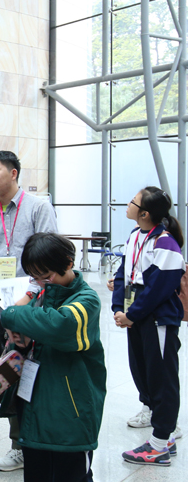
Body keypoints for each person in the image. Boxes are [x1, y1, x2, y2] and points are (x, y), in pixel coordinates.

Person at [0, 233, 106, 482]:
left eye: (46, 276)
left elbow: (60, 326)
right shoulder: (41, 297)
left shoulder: (87, 300)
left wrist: (11, 314)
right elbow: (32, 326)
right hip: (34, 413)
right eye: (35, 277)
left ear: (68, 263)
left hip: (71, 417)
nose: (41, 283)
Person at [0, 150, 58, 472]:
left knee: (35, 375)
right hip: (4, 306)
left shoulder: (38, 207)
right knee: (10, 371)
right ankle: (20, 445)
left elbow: (50, 257)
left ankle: (36, 443)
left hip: (34, 305)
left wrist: (31, 296)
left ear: (13, 173)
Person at [112, 187, 185, 466]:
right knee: (143, 373)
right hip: (138, 316)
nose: (127, 204)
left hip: (157, 319)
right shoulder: (135, 235)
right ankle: (163, 437)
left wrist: (133, 314)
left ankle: (159, 445)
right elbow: (123, 274)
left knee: (162, 379)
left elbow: (158, 289)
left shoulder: (165, 243)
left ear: (144, 213)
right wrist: (119, 309)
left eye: (133, 201)